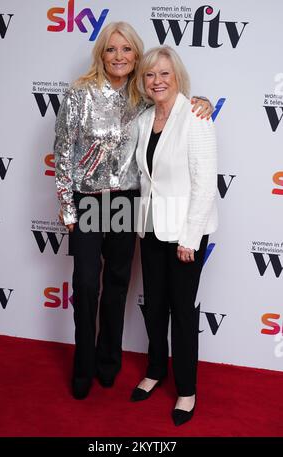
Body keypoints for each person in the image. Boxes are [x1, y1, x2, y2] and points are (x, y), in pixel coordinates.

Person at [54, 22, 214, 400]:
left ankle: (109, 363)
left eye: (127, 50)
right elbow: (62, 152)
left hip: (127, 200)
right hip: (91, 199)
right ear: (102, 55)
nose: (119, 56)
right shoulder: (80, 93)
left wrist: (201, 101)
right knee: (87, 283)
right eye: (112, 49)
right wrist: (68, 208)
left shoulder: (141, 98)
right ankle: (84, 366)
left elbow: (172, 106)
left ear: (136, 56)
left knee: (117, 286)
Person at [130, 45, 218, 426]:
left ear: (177, 76)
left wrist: (189, 236)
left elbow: (203, 184)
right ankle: (154, 370)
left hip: (185, 233)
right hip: (150, 227)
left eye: (164, 73)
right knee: (154, 306)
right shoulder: (143, 119)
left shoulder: (196, 116)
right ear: (143, 81)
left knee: (182, 311)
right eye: (150, 74)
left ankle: (186, 389)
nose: (157, 80)